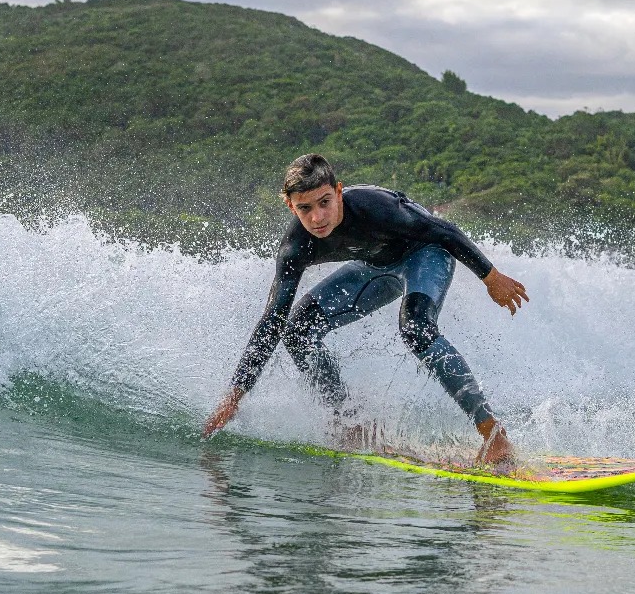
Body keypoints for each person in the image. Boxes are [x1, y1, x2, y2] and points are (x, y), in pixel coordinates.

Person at [202, 153, 529, 465]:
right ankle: (349, 423)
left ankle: (493, 435)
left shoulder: (377, 207)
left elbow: (443, 231)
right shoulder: (295, 248)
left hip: (425, 254)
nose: (317, 217)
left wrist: (491, 277)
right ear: (290, 205)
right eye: (305, 208)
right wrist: (235, 395)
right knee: (298, 329)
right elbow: (273, 319)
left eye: (324, 202)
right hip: (375, 268)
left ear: (339, 192)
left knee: (416, 327)